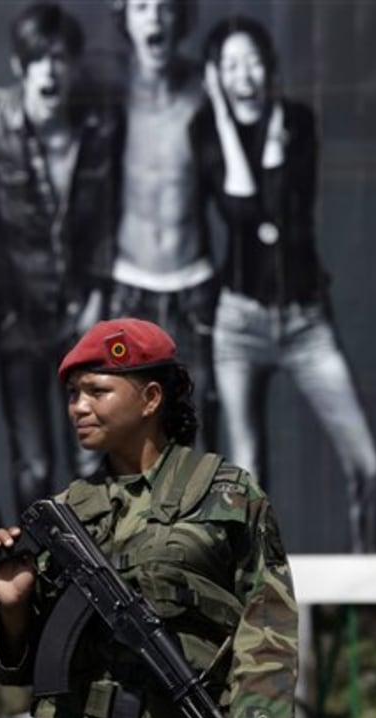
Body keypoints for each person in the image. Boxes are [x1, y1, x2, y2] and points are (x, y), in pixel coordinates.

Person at [0, 317, 299, 718]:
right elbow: (24, 662)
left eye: (97, 390)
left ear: (151, 398)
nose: (78, 406)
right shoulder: (69, 510)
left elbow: (267, 615)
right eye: (73, 394)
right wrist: (16, 605)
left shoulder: (225, 494)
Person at [199, 15, 376, 552]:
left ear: (271, 67)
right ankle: (259, 602)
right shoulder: (205, 131)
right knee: (248, 478)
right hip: (239, 324)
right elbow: (241, 209)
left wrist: (268, 127)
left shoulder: (298, 122)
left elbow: (276, 206)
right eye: (230, 66)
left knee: (367, 464)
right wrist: (224, 120)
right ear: (216, 77)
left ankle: (368, 579)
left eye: (253, 61)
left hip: (305, 322)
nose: (244, 76)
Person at [0, 2, 123, 507]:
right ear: (20, 66)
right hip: (19, 319)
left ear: (73, 65)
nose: (49, 71)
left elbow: (109, 216)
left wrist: (98, 295)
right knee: (32, 462)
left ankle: (97, 573)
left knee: (90, 454)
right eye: (38, 60)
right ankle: (42, 573)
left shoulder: (99, 126)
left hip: (82, 311)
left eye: (59, 59)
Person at [107, 0, 219, 450]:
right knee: (121, 438)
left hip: (193, 284)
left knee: (193, 438)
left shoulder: (206, 90)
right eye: (141, 7)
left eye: (164, 8)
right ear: (125, 20)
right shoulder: (108, 89)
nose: (154, 18)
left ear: (182, 19)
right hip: (129, 284)